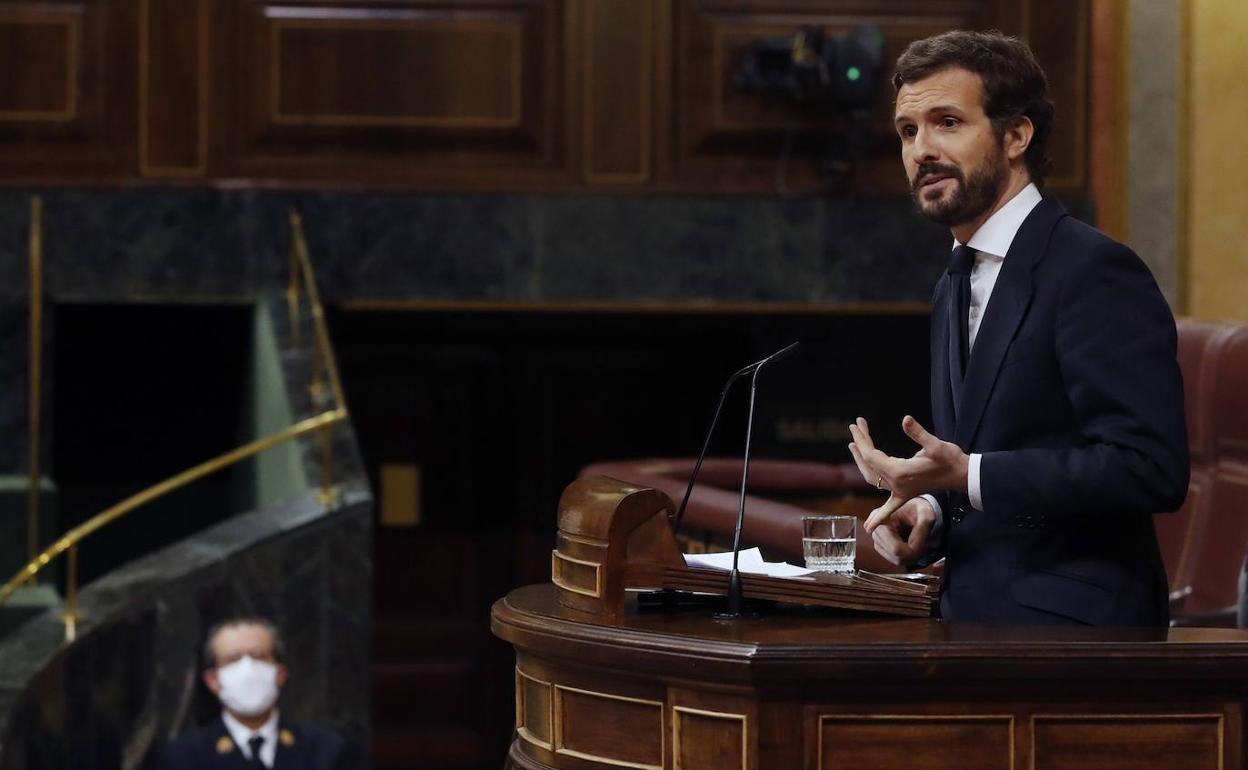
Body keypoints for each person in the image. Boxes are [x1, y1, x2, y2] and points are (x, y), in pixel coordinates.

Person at [846, 30, 1188, 626]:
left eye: (947, 122)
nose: (922, 149)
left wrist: (967, 475)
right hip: (971, 624)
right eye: (908, 131)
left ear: (1016, 136)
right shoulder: (954, 279)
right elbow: (982, 452)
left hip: (1078, 640)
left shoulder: (1093, 270)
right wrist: (931, 507)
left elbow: (1149, 468)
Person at [158, 618, 347, 769]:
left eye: (259, 656)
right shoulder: (182, 758)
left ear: (280, 674)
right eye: (232, 659)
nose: (248, 669)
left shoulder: (325, 750)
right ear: (212, 681)